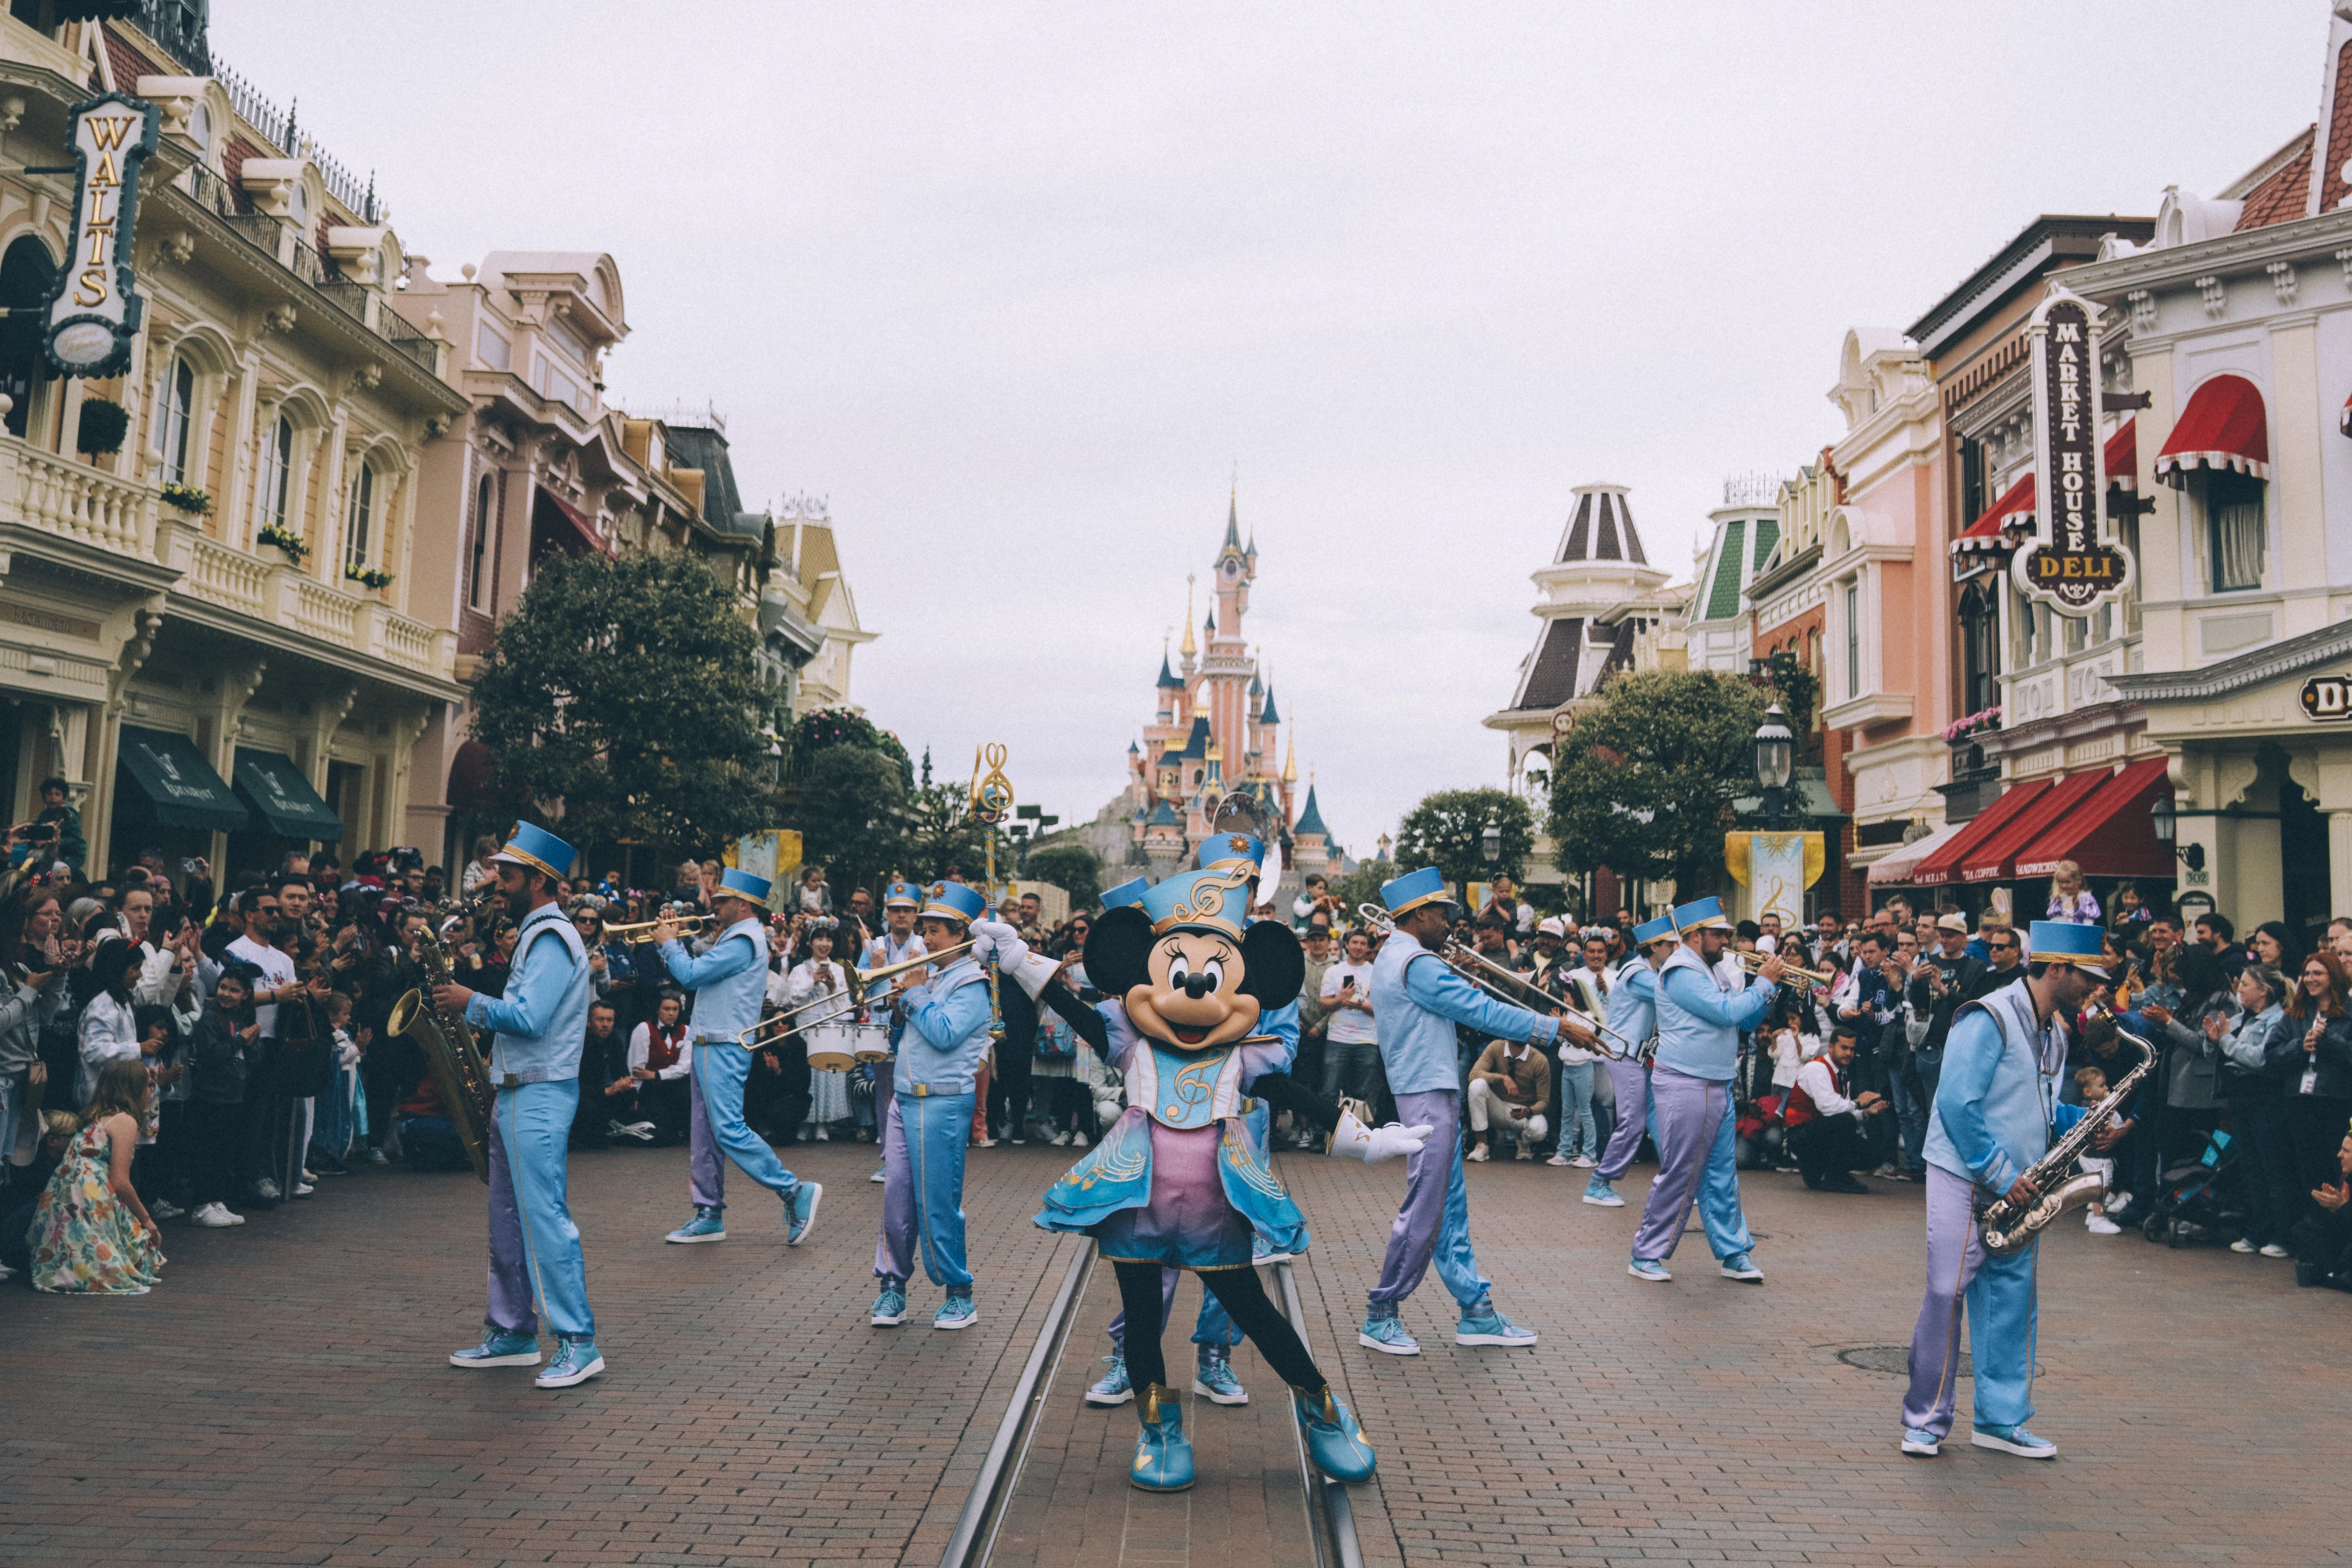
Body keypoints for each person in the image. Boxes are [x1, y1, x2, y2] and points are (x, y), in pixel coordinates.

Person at [1014, 864, 1396, 1492]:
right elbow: (1071, 1007)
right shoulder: (1129, 1045)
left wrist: (1367, 1140)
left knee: (1257, 1311)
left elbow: (1293, 1093)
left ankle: (1322, 1410)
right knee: (1140, 1321)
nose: (1192, 990)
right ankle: (1160, 1429)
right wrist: (1016, 959)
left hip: (1216, 1210)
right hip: (1136, 1206)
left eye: (1212, 975)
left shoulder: (1242, 1057)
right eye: (1175, 972)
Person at [1900, 921, 2119, 1461]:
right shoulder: (1990, 1016)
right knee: (1945, 1293)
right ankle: (1925, 1421)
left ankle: (2001, 1421)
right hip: (1967, 1173)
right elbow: (1955, 1104)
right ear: (2057, 968)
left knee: (2011, 1302)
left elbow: (2038, 1109)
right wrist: (1999, 1174)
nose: (2096, 989)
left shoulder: (2056, 1031)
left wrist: (2085, 1120)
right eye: (2088, 978)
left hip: (2020, 1182)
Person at [1359, 866, 1566, 1354]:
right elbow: (1485, 1013)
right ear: (1420, 914)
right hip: (1427, 1091)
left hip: (1429, 1088)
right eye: (1443, 914)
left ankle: (1476, 1310)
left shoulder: (1399, 956)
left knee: (1448, 1210)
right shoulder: (1416, 962)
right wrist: (1555, 1029)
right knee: (1428, 1209)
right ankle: (1381, 1312)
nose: (1450, 923)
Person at [431, 821, 604, 1390]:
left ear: (539, 879)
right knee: (507, 1215)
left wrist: (468, 1001)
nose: (495, 881)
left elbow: (529, 1019)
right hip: (519, 1087)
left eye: (507, 873)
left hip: (540, 1089)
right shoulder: (537, 929)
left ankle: (578, 1342)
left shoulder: (552, 935)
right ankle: (513, 1330)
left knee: (544, 1217)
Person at [655, 869, 820, 1246]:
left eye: (721, 902)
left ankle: (793, 1190)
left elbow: (691, 975)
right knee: (704, 1134)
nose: (713, 907)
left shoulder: (744, 939)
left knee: (727, 1128)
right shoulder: (735, 936)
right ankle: (708, 1212)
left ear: (743, 904)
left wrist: (667, 943)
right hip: (709, 1040)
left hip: (723, 1043)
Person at [1627, 897, 1780, 1285]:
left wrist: (1771, 993)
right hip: (1684, 1082)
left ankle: (1733, 1252)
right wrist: (1764, 983)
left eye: (1727, 934)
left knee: (1721, 1173)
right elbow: (1726, 1012)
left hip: (1715, 1082)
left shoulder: (1712, 971)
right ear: (1694, 937)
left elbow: (1743, 1022)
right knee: (1681, 1171)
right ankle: (1646, 1253)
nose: (1726, 941)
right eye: (1718, 934)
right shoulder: (1681, 971)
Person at [867, 880, 994, 1330]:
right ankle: (892, 1288)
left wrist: (914, 995)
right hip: (904, 1099)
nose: (926, 938)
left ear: (960, 935)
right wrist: (901, 1005)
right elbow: (912, 1038)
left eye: (936, 930)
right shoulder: (933, 975)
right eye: (926, 929)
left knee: (938, 1203)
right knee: (896, 1200)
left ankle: (959, 1292)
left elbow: (943, 1035)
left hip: (943, 1103)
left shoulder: (973, 985)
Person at [29, 1060, 163, 1293]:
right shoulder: (125, 1121)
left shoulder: (96, 1116)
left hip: (65, 1190)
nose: (152, 1090)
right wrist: (147, 1220)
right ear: (133, 1088)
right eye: (149, 1085)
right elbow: (120, 1181)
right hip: (91, 1193)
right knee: (144, 1254)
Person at [1584, 915, 1677, 1207]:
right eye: (1670, 944)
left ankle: (1677, 1180)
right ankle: (1599, 1183)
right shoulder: (1637, 972)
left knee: (1656, 1119)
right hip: (1625, 1056)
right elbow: (1672, 993)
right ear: (1654, 946)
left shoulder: (1643, 970)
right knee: (1632, 1123)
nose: (1676, 949)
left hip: (1634, 1058)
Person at [1784, 1026, 1888, 1192]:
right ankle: (1835, 1177)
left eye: (1852, 1049)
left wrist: (1866, 1113)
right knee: (1845, 1121)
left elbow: (1843, 1111)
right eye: (1844, 1048)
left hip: (1820, 1131)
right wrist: (1858, 1102)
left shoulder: (1842, 1073)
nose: (1848, 1053)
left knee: (1877, 1154)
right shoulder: (1816, 1068)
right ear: (1831, 1047)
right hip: (1799, 1134)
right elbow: (1830, 1109)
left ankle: (1819, 1169)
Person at [1318, 927, 1378, 1115]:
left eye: (1362, 943)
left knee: (1363, 1093)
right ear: (1346, 944)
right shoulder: (1334, 971)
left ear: (1368, 947)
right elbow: (1324, 1005)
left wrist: (1361, 1007)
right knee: (1329, 1090)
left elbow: (1381, 1010)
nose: (1358, 947)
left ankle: (1361, 1139)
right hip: (1338, 1038)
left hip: (1367, 1039)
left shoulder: (1376, 972)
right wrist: (1341, 999)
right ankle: (1325, 1136)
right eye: (1354, 942)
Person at [1465, 1034, 1549, 1161]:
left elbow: (1544, 1100)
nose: (1515, 1052)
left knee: (1539, 1129)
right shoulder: (1496, 1047)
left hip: (1523, 1111)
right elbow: (1473, 1074)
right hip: (1496, 1105)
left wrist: (1529, 1111)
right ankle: (1481, 1144)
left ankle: (1524, 1143)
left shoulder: (1539, 1060)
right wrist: (1502, 1078)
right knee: (1477, 1085)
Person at [626, 993, 691, 1145]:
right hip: (651, 1089)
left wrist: (656, 1074)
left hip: (674, 1086)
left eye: (675, 1009)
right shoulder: (644, 1029)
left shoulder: (686, 1031)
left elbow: (684, 1067)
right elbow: (636, 1067)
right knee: (663, 1136)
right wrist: (633, 1096)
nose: (671, 1013)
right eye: (667, 1009)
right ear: (658, 1010)